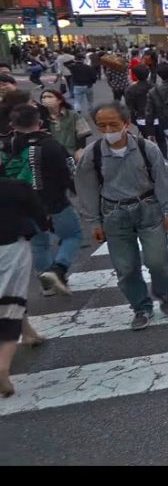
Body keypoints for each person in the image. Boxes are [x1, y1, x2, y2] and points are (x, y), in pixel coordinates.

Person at [75, 102, 168, 330]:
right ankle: (141, 307)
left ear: (126, 124)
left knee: (157, 261)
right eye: (102, 126)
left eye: (113, 124)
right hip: (114, 215)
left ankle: (163, 292)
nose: (108, 130)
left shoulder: (146, 148)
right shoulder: (92, 154)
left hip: (148, 209)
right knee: (126, 267)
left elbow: (162, 181)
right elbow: (87, 190)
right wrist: (94, 222)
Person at [3, 104, 80, 298]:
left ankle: (46, 284)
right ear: (39, 122)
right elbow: (67, 172)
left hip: (22, 204)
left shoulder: (9, 146)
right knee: (73, 235)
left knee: (39, 243)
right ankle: (57, 269)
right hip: (53, 200)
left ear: (13, 124)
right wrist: (77, 191)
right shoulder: (49, 144)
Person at [0, 176, 51, 397]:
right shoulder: (16, 187)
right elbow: (39, 214)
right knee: (12, 301)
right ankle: (2, 366)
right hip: (12, 247)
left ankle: (29, 333)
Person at [38, 88, 90, 163]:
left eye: (50, 97)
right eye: (43, 97)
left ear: (59, 100)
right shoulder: (39, 117)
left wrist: (80, 149)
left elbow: (82, 133)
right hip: (47, 156)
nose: (46, 99)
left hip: (70, 154)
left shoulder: (73, 115)